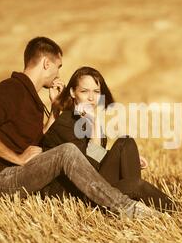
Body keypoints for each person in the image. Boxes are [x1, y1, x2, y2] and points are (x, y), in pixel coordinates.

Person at [0, 36, 161, 219]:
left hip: (20, 174)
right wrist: (18, 159)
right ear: (46, 63)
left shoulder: (31, 97)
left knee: (122, 150)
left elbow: (40, 142)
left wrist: (54, 110)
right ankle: (126, 208)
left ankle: (139, 203)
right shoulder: (10, 89)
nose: (58, 75)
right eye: (58, 67)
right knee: (67, 151)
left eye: (96, 92)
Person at [42, 66, 175, 212]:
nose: (91, 98)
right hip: (83, 193)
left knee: (126, 142)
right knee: (136, 185)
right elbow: (88, 168)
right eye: (84, 91)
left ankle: (130, 206)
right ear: (73, 92)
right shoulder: (65, 123)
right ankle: (177, 211)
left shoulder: (85, 120)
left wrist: (125, 157)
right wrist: (95, 125)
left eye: (96, 92)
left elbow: (97, 157)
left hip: (98, 185)